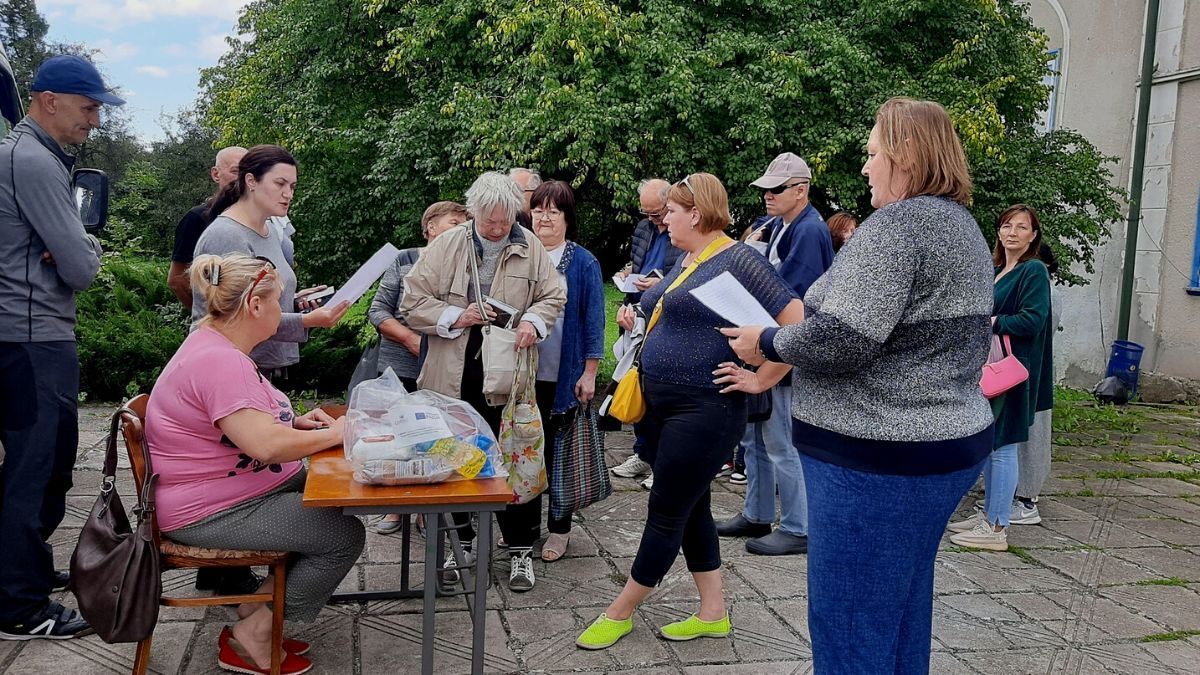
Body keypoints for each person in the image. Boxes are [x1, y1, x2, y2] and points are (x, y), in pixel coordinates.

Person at [723, 97, 995, 674]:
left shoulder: (899, 226)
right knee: (899, 607)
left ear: (906, 154)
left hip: (877, 459)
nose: (866, 166)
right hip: (942, 445)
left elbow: (844, 338)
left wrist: (766, 341)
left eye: (873, 154)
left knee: (849, 622)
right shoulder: (961, 225)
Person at [576, 173, 803, 650]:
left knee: (665, 511)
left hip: (706, 409)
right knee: (692, 507)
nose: (664, 221)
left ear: (696, 214)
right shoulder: (688, 259)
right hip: (664, 406)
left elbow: (796, 321)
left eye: (671, 212)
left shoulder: (738, 258)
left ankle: (621, 611)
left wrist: (761, 378)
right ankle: (713, 613)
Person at [146, 254, 365, 674]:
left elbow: (242, 423)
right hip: (209, 509)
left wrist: (295, 423)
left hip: (226, 492)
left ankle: (256, 608)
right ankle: (257, 631)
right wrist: (338, 434)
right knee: (341, 534)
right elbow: (265, 445)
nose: (283, 310)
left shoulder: (213, 344)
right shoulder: (220, 361)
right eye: (279, 301)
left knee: (331, 500)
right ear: (255, 305)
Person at [400, 171, 565, 592]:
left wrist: (532, 321)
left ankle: (520, 549)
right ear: (473, 212)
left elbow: (553, 296)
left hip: (509, 373)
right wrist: (458, 315)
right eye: (489, 221)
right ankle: (461, 545)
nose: (497, 228)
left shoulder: (529, 246)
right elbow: (412, 301)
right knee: (456, 459)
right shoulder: (446, 245)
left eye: (505, 220)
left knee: (518, 458)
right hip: (453, 374)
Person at [0, 55, 117, 641]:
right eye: (88, 107)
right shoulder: (33, 161)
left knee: (41, 465)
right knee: (36, 469)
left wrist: (69, 246)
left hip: (27, 336)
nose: (94, 120)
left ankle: (20, 571)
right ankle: (19, 606)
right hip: (31, 337)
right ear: (49, 100)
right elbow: (81, 266)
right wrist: (80, 248)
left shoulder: (24, 155)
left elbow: (66, 252)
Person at [716, 152, 832, 557]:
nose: (768, 195)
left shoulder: (810, 231)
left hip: (786, 352)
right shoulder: (780, 225)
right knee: (756, 438)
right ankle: (758, 513)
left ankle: (799, 526)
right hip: (767, 344)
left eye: (777, 189)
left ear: (801, 190)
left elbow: (792, 300)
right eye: (765, 189)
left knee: (782, 441)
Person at [192, 145, 349, 380]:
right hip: (228, 369)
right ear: (251, 181)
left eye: (292, 186)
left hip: (260, 366)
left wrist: (293, 302)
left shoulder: (271, 231)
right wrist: (306, 321)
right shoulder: (226, 235)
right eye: (280, 184)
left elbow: (257, 298)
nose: (288, 194)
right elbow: (235, 316)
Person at [949, 204, 1054, 551]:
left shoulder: (1033, 270)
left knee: (1003, 446)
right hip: (992, 368)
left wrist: (992, 322)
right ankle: (990, 515)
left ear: (1033, 235)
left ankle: (996, 527)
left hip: (1012, 371)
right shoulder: (998, 270)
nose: (1013, 233)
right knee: (992, 444)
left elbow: (1033, 319)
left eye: (1022, 227)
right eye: (1007, 225)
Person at [368, 200, 468, 536]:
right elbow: (378, 311)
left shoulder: (466, 264)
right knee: (399, 438)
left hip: (443, 367)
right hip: (400, 364)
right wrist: (411, 339)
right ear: (430, 227)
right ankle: (395, 507)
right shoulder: (405, 259)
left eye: (464, 224)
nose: (461, 229)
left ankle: (428, 509)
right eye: (454, 222)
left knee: (436, 437)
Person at [525, 180, 606, 562]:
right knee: (523, 451)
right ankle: (522, 528)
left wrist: (589, 373)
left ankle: (559, 530)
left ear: (567, 218)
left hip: (563, 375)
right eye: (538, 209)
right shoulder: (520, 254)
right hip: (521, 375)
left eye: (553, 211)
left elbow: (594, 321)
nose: (544, 218)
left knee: (560, 457)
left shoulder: (583, 262)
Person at [609, 178, 683, 491]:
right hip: (636, 313)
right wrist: (628, 275)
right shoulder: (644, 228)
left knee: (659, 392)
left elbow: (687, 271)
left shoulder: (682, 227)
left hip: (665, 316)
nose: (655, 220)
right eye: (647, 214)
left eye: (659, 213)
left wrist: (660, 284)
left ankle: (661, 461)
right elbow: (640, 261)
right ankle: (642, 452)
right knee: (635, 384)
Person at [167, 146, 247, 305]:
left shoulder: (262, 219)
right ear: (216, 174)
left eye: (249, 172)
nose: (243, 178)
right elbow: (177, 279)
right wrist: (209, 313)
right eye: (236, 171)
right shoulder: (197, 218)